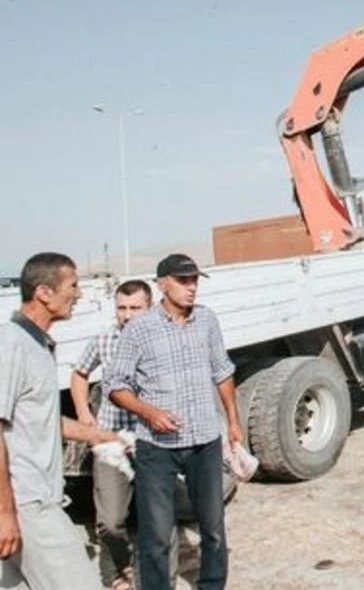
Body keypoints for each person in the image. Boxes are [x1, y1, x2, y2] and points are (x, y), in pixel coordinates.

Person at [106, 254, 241, 590]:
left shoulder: (207, 321)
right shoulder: (139, 329)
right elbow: (115, 387)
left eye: (194, 280)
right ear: (162, 284)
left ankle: (212, 585)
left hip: (204, 441)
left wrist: (233, 422)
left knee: (212, 527)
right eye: (183, 281)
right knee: (157, 534)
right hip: (157, 447)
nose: (191, 287)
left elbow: (222, 372)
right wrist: (149, 412)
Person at [1, 253, 119, 590]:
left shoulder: (37, 345)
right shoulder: (10, 344)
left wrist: (100, 435)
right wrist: (5, 512)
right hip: (28, 504)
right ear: (43, 292)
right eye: (73, 285)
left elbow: (42, 421)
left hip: (32, 501)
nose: (79, 294)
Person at [70, 279, 152, 590]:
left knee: (156, 520)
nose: (128, 315)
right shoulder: (105, 340)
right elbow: (80, 373)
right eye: (122, 308)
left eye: (136, 308)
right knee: (109, 521)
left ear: (150, 307)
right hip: (111, 441)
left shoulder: (161, 340)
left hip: (150, 440)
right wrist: (84, 415)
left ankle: (154, 580)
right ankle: (117, 573)